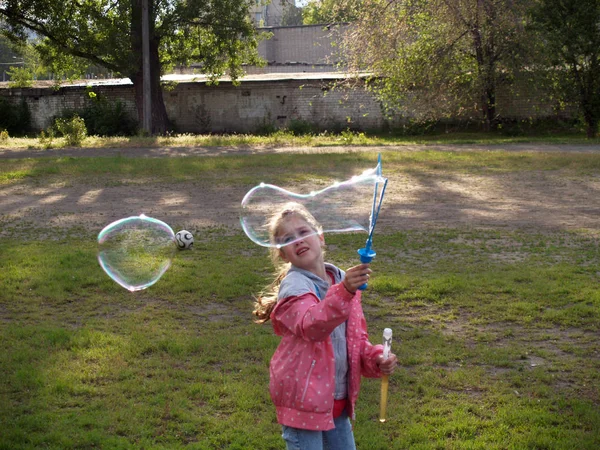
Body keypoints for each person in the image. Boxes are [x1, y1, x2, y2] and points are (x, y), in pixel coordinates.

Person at [253, 202, 398, 450]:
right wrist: (345, 292)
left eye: (303, 232)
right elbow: (313, 325)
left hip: (336, 402)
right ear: (282, 254)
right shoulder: (294, 287)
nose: (298, 240)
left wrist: (375, 358)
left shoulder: (340, 280)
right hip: (304, 402)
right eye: (288, 239)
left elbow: (354, 339)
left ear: (320, 238)